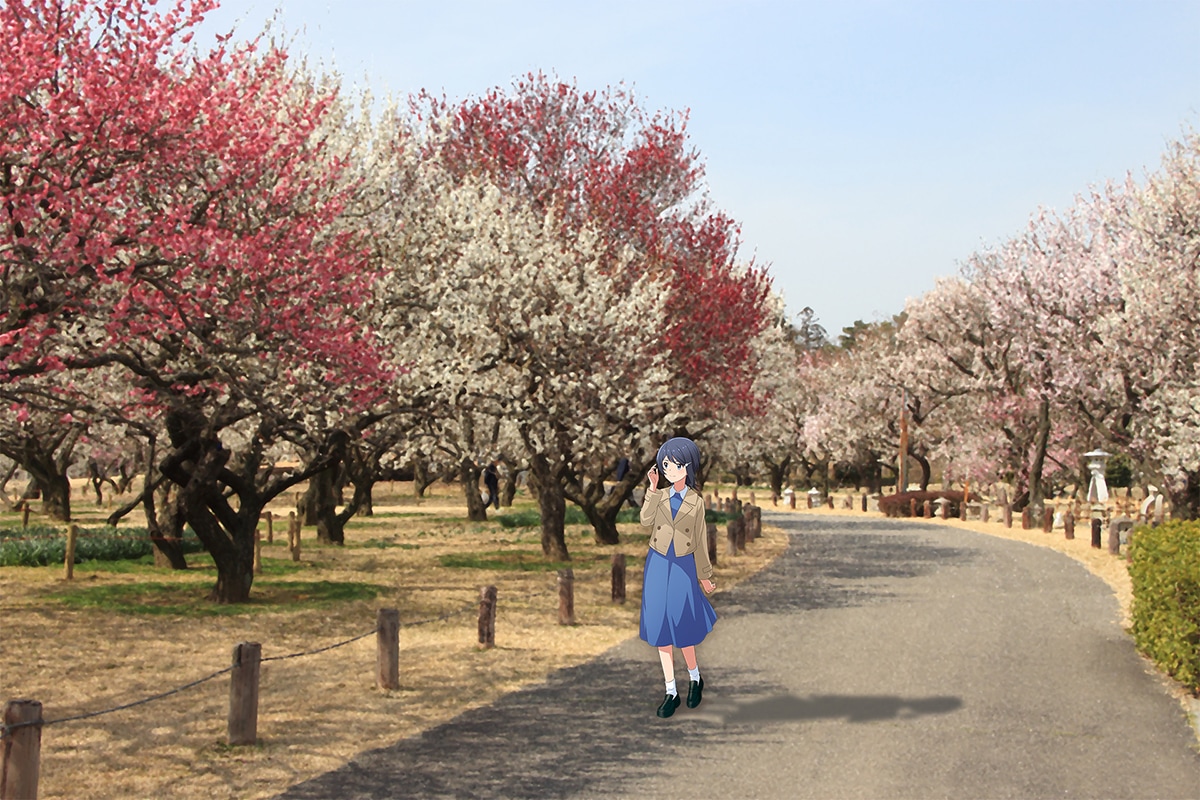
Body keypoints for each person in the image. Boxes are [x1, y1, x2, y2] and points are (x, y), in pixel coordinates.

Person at [639, 436, 716, 718]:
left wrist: (704, 575)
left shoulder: (695, 502)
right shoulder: (659, 495)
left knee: (683, 626)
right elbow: (645, 520)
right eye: (666, 465)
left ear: (688, 467)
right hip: (658, 564)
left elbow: (700, 540)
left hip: (683, 566)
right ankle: (670, 690)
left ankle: (694, 677)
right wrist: (651, 489)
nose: (670, 470)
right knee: (661, 628)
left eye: (676, 465)